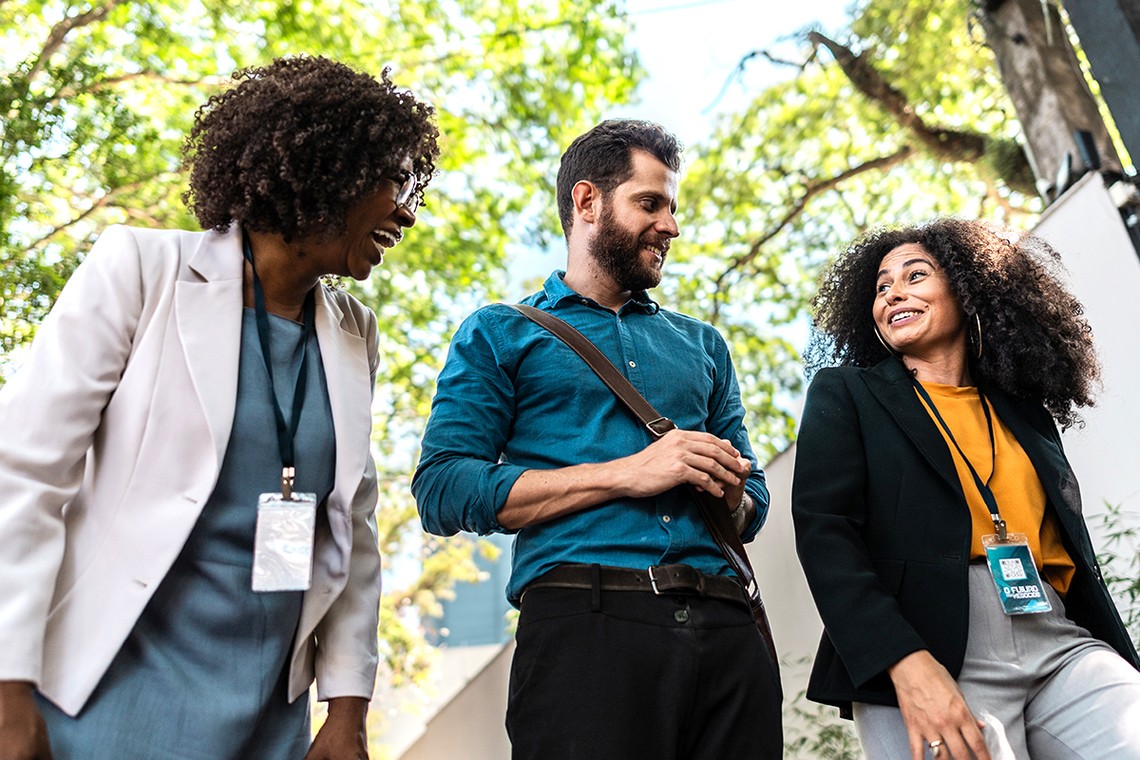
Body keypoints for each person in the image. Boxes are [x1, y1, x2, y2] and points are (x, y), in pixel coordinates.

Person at [0, 55, 439, 760]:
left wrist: (348, 712)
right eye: (398, 181)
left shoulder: (353, 330)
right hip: (104, 695)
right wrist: (6, 686)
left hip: (267, 714)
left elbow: (350, 531)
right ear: (331, 168)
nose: (409, 212)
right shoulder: (142, 271)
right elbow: (23, 476)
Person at [411, 119, 782, 759]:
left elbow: (754, 505)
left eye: (672, 208)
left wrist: (734, 490)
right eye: (650, 204)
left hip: (729, 631)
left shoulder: (704, 345)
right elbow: (443, 489)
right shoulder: (499, 332)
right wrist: (628, 473)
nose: (671, 225)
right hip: (585, 630)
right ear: (587, 203)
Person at [792, 218, 1140, 760]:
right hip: (927, 642)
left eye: (916, 275)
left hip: (1055, 631)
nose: (894, 293)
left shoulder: (1023, 410)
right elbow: (825, 534)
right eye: (882, 286)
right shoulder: (848, 394)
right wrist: (904, 660)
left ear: (966, 286)